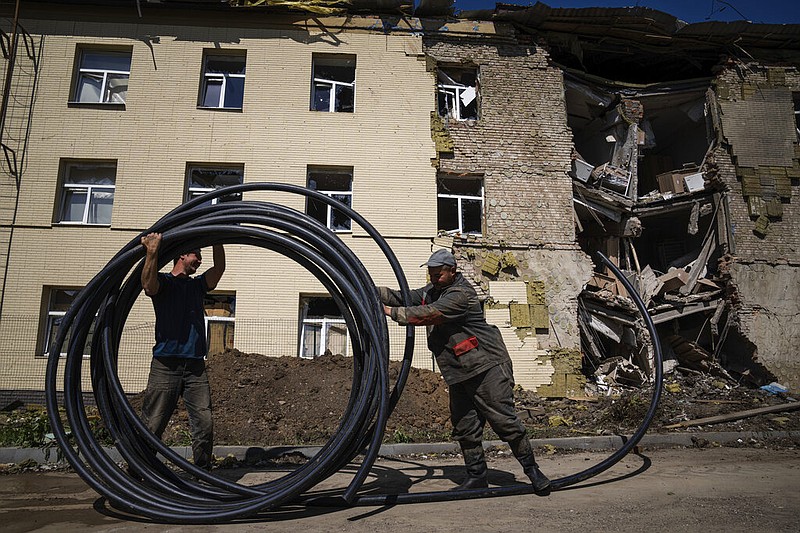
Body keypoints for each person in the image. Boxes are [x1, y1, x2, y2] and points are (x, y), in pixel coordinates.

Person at [377, 248, 550, 493]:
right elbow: (401, 296)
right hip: (459, 371)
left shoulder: (460, 295)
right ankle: (476, 475)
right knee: (465, 426)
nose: (434, 278)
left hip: (486, 368)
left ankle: (533, 471)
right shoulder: (432, 291)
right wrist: (371, 291)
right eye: (431, 274)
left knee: (504, 422)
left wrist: (389, 312)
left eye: (439, 274)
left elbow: (430, 314)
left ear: (452, 271)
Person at [139, 232, 225, 471]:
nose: (199, 260)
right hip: (166, 364)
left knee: (204, 422)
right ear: (181, 256)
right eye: (196, 255)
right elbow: (147, 284)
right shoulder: (164, 283)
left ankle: (203, 473)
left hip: (195, 366)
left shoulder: (197, 286)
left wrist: (218, 235)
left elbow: (219, 268)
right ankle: (138, 471)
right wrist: (152, 252)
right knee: (153, 422)